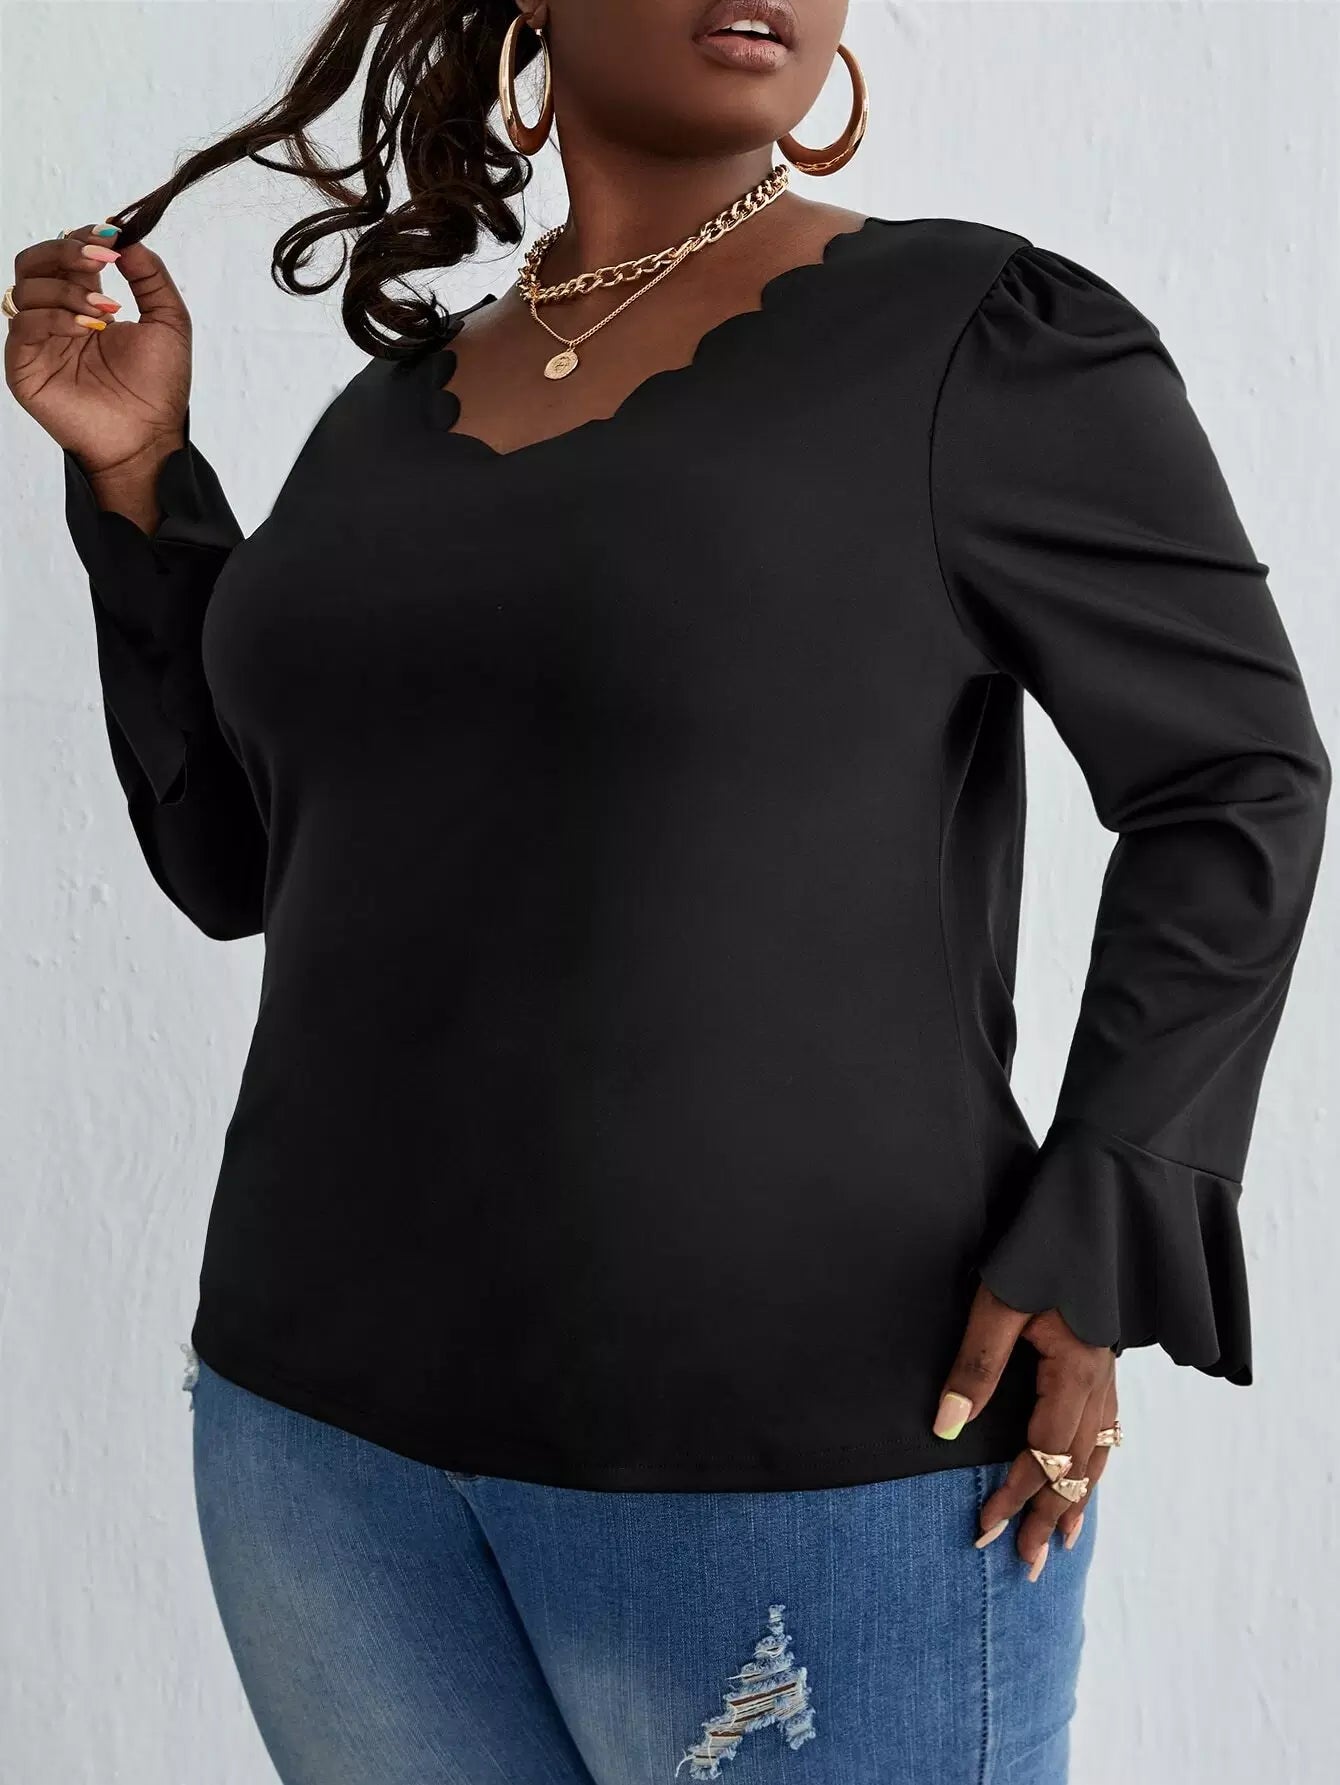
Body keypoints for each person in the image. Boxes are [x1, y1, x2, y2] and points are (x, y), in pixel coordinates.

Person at [6, 2, 1330, 1780]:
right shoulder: (387, 421)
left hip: (802, 1456)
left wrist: (1118, 1196)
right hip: (313, 1444)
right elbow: (239, 867)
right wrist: (138, 479)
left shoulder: (982, 340)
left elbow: (1234, 779)